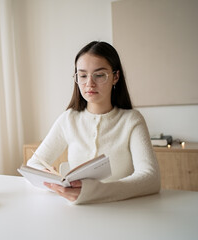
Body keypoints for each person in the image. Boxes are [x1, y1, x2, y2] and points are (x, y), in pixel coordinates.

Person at [27, 41, 161, 204]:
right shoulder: (69, 119)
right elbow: (33, 164)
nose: (89, 83)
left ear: (115, 77)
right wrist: (55, 183)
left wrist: (92, 192)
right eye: (82, 75)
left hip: (123, 212)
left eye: (99, 75)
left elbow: (151, 178)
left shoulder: (131, 120)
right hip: (79, 213)